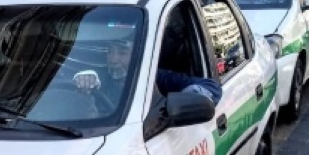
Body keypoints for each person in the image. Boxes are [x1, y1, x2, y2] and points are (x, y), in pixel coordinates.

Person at [73, 39, 222, 109]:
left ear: (139, 56)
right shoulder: (99, 79)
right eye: (110, 51)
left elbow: (212, 87)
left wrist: (190, 96)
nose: (113, 59)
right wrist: (83, 80)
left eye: (122, 52)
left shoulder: (155, 78)